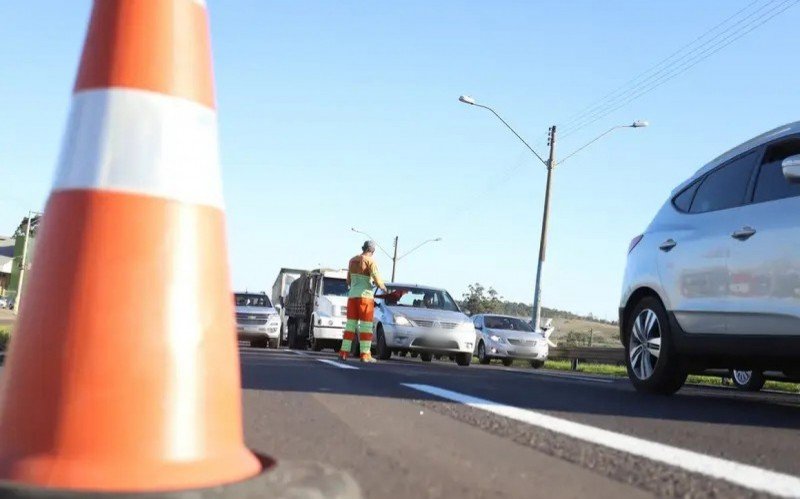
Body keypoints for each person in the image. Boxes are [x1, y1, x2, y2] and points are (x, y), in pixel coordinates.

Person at [340, 240, 387, 362]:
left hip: (352, 297)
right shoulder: (371, 261)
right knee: (366, 327)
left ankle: (344, 352)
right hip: (365, 298)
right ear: (372, 250)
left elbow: (348, 281)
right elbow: (377, 280)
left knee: (350, 326)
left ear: (363, 248)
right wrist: (384, 288)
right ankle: (365, 355)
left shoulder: (352, 260)